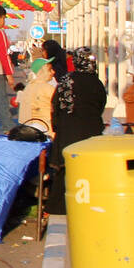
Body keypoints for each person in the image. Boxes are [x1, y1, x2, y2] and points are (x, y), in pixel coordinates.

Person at [47, 48, 107, 215]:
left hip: (67, 132)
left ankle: (58, 207)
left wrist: (57, 126)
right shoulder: (97, 83)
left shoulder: (66, 80)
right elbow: (101, 105)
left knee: (64, 172)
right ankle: (87, 204)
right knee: (88, 171)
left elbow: (56, 106)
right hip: (91, 133)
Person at [17, 57, 56, 136]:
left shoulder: (28, 87)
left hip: (30, 128)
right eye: (50, 70)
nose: (53, 72)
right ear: (42, 72)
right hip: (48, 128)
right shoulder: (48, 89)